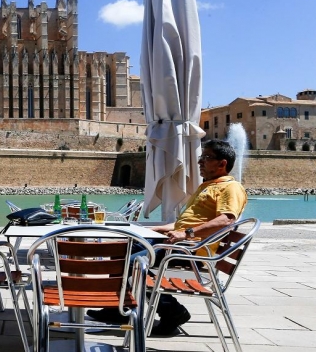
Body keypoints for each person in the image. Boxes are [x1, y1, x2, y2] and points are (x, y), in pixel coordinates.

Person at [88, 140, 247, 335]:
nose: (200, 162)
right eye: (200, 158)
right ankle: (118, 308)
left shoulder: (231, 188)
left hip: (190, 250)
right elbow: (182, 224)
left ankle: (173, 312)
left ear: (222, 164)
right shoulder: (207, 186)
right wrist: (157, 229)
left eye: (206, 158)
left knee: (132, 263)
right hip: (178, 243)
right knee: (120, 251)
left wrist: (186, 234)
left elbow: (226, 220)